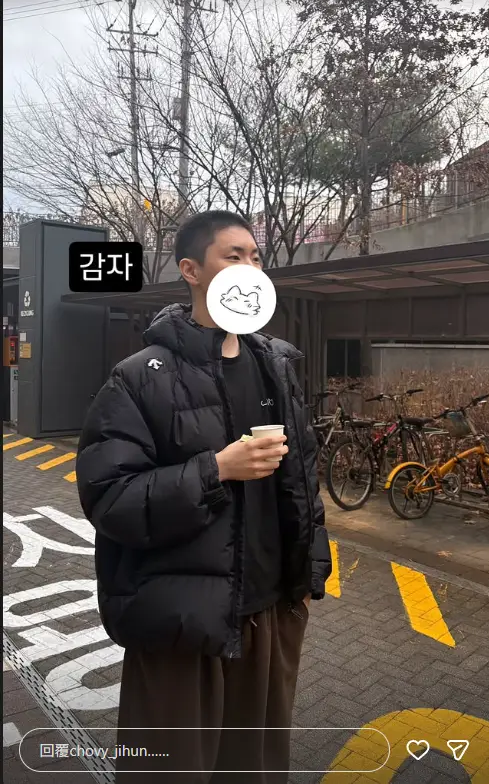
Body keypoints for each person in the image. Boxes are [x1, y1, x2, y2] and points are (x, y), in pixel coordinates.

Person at [76, 210, 332, 783]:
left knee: (255, 768)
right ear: (191, 270)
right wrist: (216, 470)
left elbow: (303, 481)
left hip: (270, 611)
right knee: (168, 769)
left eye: (256, 257)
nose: (250, 268)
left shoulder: (278, 367)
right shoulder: (140, 377)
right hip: (181, 619)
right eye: (232, 256)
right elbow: (110, 498)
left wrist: (308, 577)